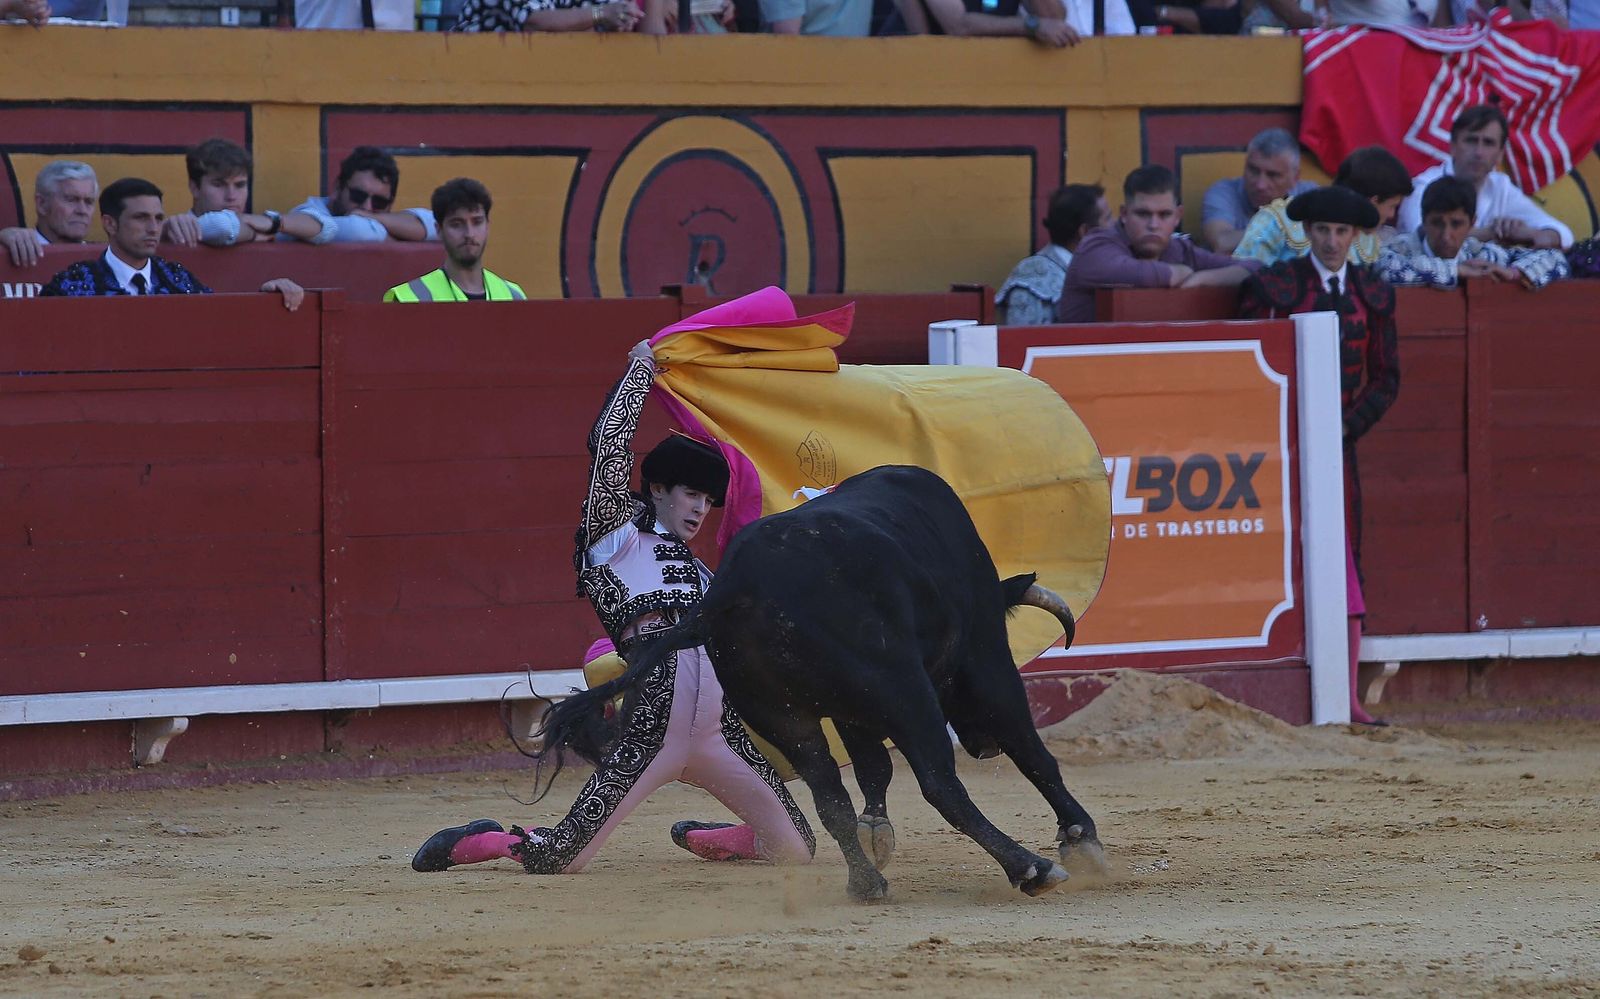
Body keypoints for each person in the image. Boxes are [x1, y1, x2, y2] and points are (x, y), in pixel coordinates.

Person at [412, 340, 816, 875]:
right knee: (561, 859)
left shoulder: (700, 570)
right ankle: (483, 841)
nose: (700, 508)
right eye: (690, 494)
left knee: (796, 850)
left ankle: (709, 836)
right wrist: (639, 372)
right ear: (658, 489)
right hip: (654, 726)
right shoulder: (614, 536)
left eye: (708, 500)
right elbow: (609, 445)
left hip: (721, 732)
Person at [1237, 186, 1399, 726]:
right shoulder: (1274, 287)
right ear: (1307, 233)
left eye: (1342, 232)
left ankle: (1347, 697)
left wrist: (1343, 431)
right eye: (1323, 231)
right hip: (1276, 449)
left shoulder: (1373, 292)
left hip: (1340, 450)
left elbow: (1386, 377)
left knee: (1343, 554)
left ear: (1356, 237)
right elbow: (1249, 361)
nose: (1332, 241)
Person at [37, 178, 305, 310]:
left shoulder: (178, 279)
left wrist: (266, 294)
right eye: (141, 218)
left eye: (158, 218)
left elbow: (223, 324)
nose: (154, 228)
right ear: (110, 224)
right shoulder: (71, 285)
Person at [1058, 165, 1259, 324]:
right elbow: (1132, 272)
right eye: (1143, 214)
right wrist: (1176, 274)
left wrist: (1201, 279)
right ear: (1125, 214)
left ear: (1178, 216)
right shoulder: (1097, 244)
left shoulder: (1179, 249)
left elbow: (1254, 269)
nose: (1153, 225)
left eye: (1164, 215)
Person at [1396, 104, 1574, 251]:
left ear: (1500, 154)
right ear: (1452, 147)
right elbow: (1423, 235)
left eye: (1488, 143)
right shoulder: (1423, 186)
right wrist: (1493, 233)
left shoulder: (1500, 187)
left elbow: (1564, 234)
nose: (1479, 153)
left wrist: (1530, 234)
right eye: (1471, 141)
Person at [1378, 176, 1570, 291]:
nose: (1446, 235)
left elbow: (1555, 259)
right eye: (1437, 224)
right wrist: (1457, 271)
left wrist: (1513, 274)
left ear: (1472, 223)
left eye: (1456, 224)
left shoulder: (1481, 255)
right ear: (1424, 220)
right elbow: (1382, 269)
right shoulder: (1399, 249)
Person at [1234, 145, 1413, 267]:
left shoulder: (1369, 241)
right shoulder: (1277, 219)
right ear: (1374, 201)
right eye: (1392, 206)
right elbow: (1245, 275)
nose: (1391, 215)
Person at [384, 178, 526, 302]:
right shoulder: (408, 298)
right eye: (457, 224)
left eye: (477, 222)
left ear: (487, 226)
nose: (469, 234)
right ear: (439, 230)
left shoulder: (514, 296)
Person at [995, 183, 1108, 326]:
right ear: (1085, 232)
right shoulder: (1034, 276)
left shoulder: (1093, 268)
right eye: (1108, 218)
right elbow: (1021, 342)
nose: (1114, 225)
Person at [161, 138, 305, 249]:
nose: (231, 196)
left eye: (240, 185)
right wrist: (255, 234)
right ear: (194, 188)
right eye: (219, 184)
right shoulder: (176, 230)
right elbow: (222, 227)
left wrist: (271, 223)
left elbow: (326, 228)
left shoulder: (266, 228)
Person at [284, 146, 438, 245]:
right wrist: (393, 238)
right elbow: (360, 230)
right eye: (358, 195)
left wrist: (373, 218)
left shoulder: (377, 219)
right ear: (338, 188)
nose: (367, 207)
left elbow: (437, 223)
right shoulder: (307, 213)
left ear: (390, 204)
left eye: (379, 202)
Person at [1200, 128, 1317, 255]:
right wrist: (1286, 230)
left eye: (1273, 175)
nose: (1260, 185)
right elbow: (1222, 243)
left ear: (1295, 178)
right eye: (1254, 171)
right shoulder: (1224, 192)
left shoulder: (1310, 195)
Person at [0, 161, 98, 269]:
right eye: (71, 200)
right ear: (42, 204)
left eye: (89, 201)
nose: (82, 210)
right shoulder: (9, 251)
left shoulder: (104, 261)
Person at [893, 0, 1094, 45]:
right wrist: (1031, 25)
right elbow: (959, 25)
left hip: (986, 80)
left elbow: (1053, 18)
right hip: (918, 83)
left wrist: (1039, 23)